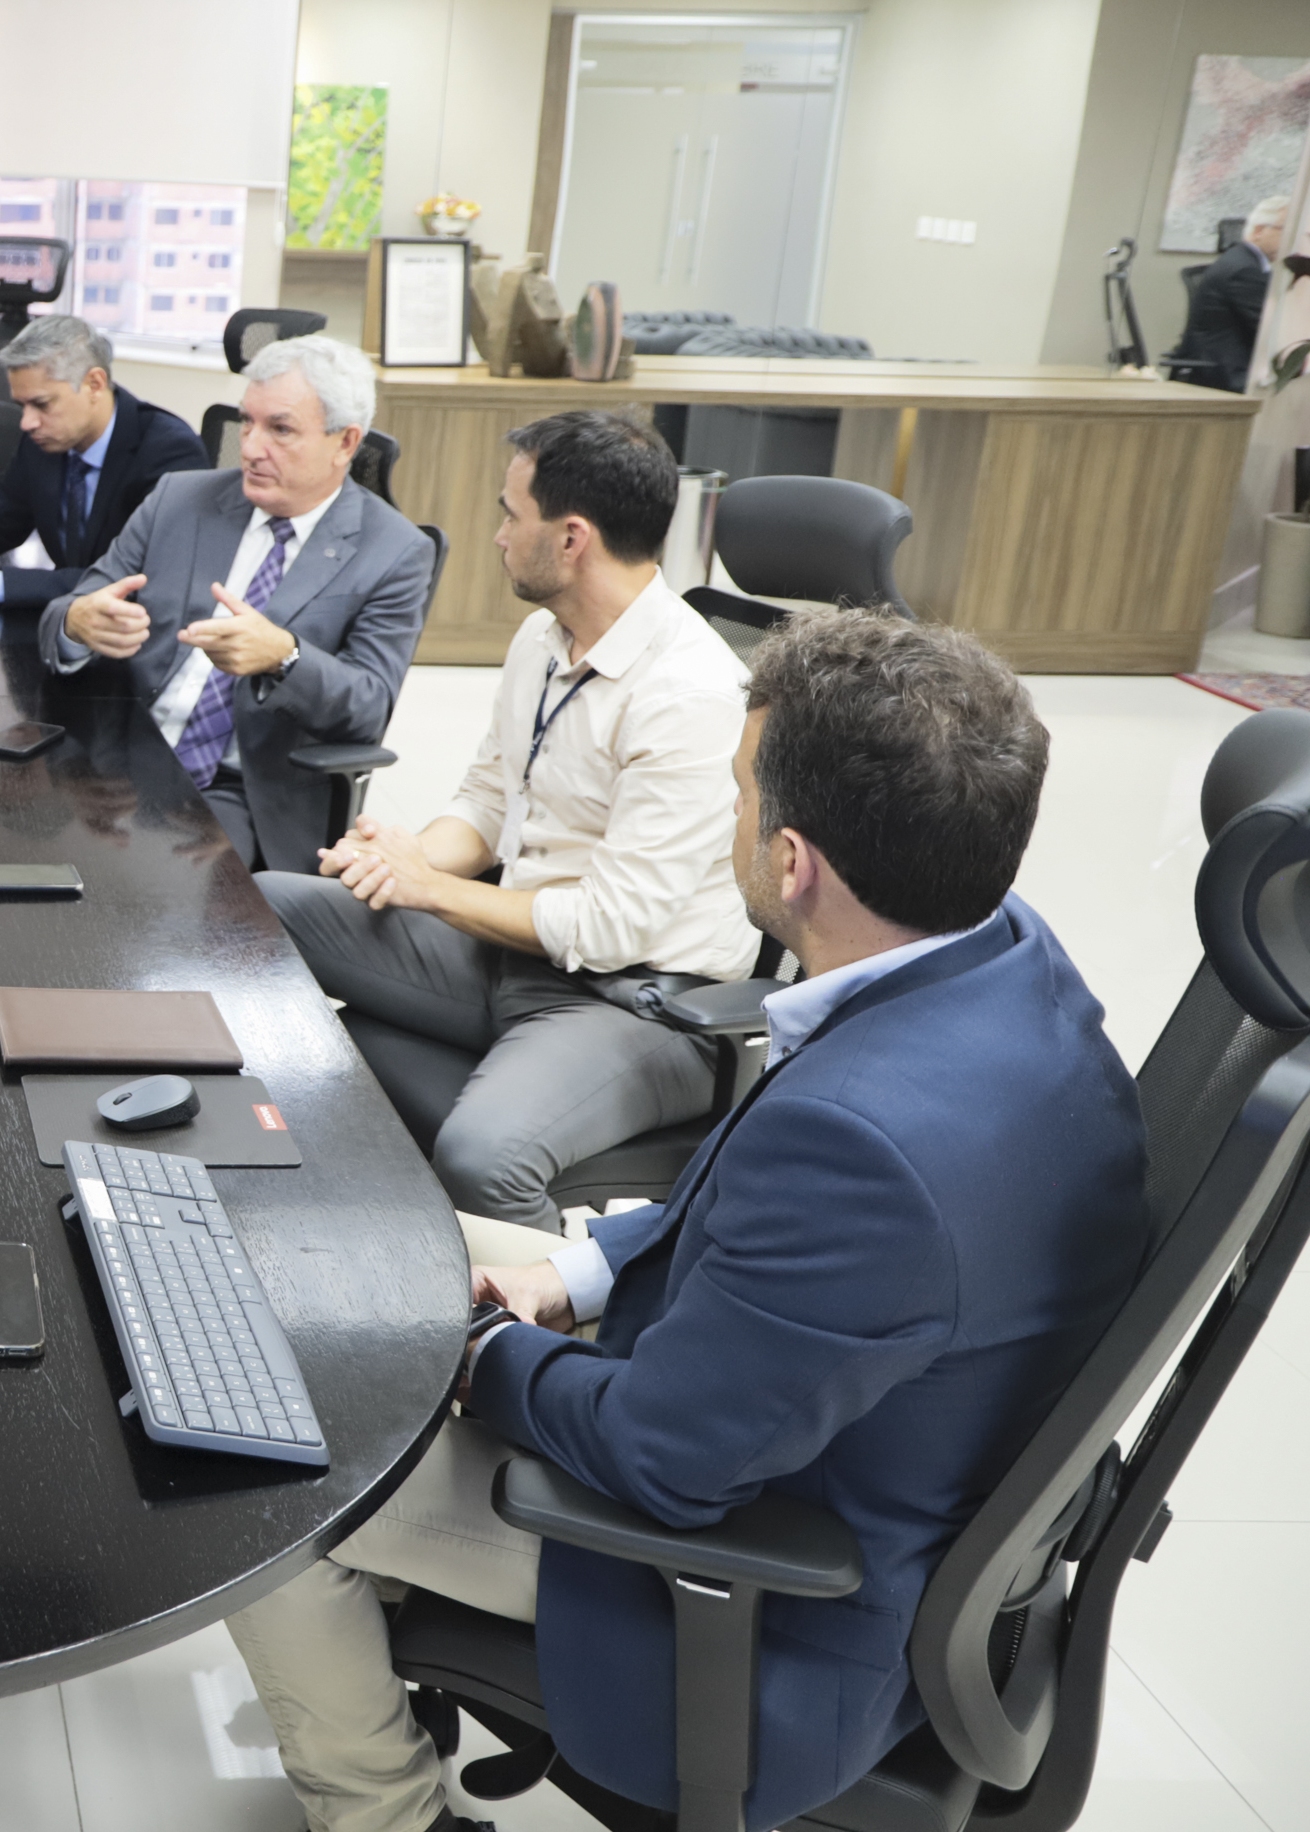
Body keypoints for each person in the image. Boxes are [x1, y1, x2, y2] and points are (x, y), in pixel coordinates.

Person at [224, 609, 1148, 1832]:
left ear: (795, 860)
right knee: (348, 1248)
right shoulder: (1003, 956)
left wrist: (482, 1352)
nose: (732, 821)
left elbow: (666, 1460)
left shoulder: (864, 1147)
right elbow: (759, 1221)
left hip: (755, 1585)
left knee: (256, 1477)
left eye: (738, 794)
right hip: (795, 1401)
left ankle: (389, 1814)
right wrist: (581, 1268)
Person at [262, 409, 750, 1230]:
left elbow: (612, 925)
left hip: (636, 1003)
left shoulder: (690, 693)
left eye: (508, 514)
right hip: (512, 952)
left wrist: (429, 891)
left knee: (483, 1157)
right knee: (265, 911)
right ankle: (325, 1217)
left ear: (571, 539)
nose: (494, 536)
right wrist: (406, 857)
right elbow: (488, 803)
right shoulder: (542, 637)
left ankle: (542, 1338)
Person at [39, 334, 434, 874]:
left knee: (177, 906)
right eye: (247, 422)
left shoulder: (395, 552)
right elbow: (68, 610)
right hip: (124, 756)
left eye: (280, 429)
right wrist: (77, 622)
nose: (249, 447)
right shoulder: (177, 500)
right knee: (21, 849)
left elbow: (367, 709)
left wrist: (285, 657)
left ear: (345, 443)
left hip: (243, 788)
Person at [0, 313, 206, 611]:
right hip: (59, 623)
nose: (26, 422)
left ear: (94, 384)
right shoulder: (44, 441)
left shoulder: (169, 452)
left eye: (41, 404)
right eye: (22, 405)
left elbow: (136, 580)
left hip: (130, 639)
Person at [1166, 195, 1289, 392]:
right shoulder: (1244, 270)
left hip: (1223, 369)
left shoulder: (1242, 261)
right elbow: (1272, 329)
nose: (1293, 239)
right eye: (1287, 230)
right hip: (1225, 376)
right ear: (1259, 230)